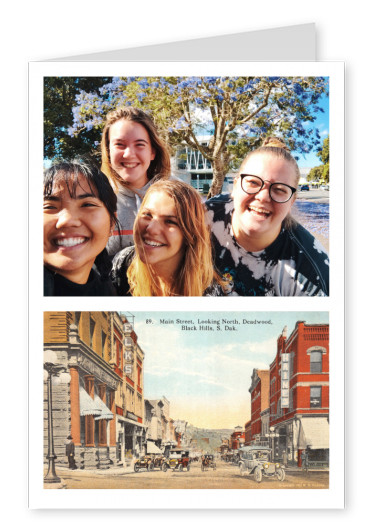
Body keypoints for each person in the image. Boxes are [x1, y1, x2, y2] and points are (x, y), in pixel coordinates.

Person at [206, 137, 329, 296]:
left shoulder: (311, 274)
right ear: (235, 186)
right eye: (253, 183)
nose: (263, 197)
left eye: (279, 189)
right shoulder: (203, 216)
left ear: (292, 201)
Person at [111, 180, 225, 296]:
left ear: (190, 234)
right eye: (147, 215)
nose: (152, 229)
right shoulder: (122, 264)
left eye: (170, 221)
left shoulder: (210, 293)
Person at [101, 106, 171, 257]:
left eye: (139, 144)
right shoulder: (95, 199)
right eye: (119, 144)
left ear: (152, 152)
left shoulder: (176, 196)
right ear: (108, 151)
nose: (129, 154)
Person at [44, 158, 118, 296]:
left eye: (87, 205)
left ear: (112, 224)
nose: (67, 221)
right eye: (49, 207)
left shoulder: (107, 291)